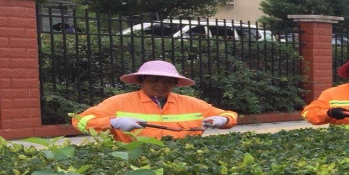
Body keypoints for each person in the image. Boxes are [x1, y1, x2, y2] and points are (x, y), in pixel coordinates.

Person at [72, 60, 238, 142]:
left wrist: (223, 119)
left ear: (175, 83)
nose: (161, 85)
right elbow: (80, 121)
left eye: (167, 81)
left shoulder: (192, 103)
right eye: (154, 80)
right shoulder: (118, 102)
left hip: (184, 162)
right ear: (141, 81)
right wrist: (113, 122)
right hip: (132, 162)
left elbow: (229, 115)